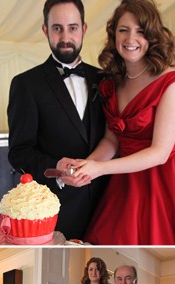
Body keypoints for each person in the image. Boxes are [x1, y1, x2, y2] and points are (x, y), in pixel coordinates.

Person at [60, 0, 175, 245]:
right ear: (114, 34)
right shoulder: (112, 83)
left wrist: (100, 169)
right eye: (124, 30)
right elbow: (111, 139)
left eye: (140, 31)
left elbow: (160, 153)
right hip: (123, 181)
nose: (130, 38)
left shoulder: (169, 82)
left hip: (163, 182)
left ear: (152, 36)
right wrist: (87, 164)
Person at [7, 0, 109, 240]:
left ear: (84, 29)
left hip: (109, 206)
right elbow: (19, 152)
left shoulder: (106, 80)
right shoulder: (25, 85)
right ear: (45, 30)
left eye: (72, 28)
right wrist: (56, 169)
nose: (65, 36)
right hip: (58, 212)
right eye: (57, 28)